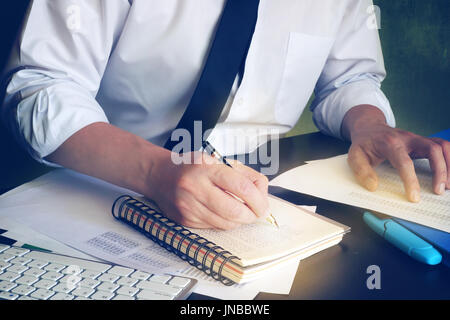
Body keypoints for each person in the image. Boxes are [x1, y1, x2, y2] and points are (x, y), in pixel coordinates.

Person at [2, 0, 448, 230]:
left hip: (258, 199)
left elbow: (348, 79)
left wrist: (370, 125)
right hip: (106, 185)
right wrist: (157, 171)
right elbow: (41, 84)